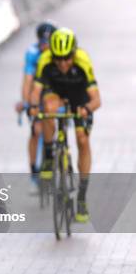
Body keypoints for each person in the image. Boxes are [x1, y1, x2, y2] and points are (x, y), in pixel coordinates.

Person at [30, 28, 100, 223]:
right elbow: (36, 91)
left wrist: (86, 108)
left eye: (67, 58)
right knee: (47, 108)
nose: (62, 63)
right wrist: (33, 107)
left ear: (74, 53)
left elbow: (97, 99)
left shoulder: (83, 60)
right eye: (58, 59)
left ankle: (82, 197)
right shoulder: (45, 60)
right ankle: (51, 153)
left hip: (80, 97)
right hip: (56, 93)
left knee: (82, 139)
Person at [16, 22, 56, 187]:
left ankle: (55, 155)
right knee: (36, 130)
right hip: (37, 92)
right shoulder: (32, 53)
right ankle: (34, 169)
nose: (45, 47)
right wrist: (26, 103)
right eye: (43, 43)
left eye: (48, 43)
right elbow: (27, 81)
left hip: (54, 92)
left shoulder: (59, 51)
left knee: (53, 124)